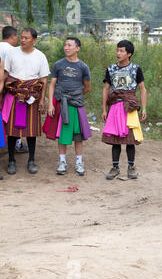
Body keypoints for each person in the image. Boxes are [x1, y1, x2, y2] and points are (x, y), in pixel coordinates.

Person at [2, 27, 50, 175]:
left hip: (32, 98)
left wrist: (42, 99)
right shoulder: (11, 53)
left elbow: (43, 79)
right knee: (12, 131)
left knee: (31, 131)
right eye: (21, 37)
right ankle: (11, 160)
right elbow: (5, 74)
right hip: (14, 96)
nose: (22, 40)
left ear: (34, 40)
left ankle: (31, 160)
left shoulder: (40, 56)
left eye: (26, 38)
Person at [42, 37, 92, 176]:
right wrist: (51, 104)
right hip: (60, 103)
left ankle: (79, 162)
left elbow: (87, 87)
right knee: (63, 134)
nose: (66, 47)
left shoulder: (83, 67)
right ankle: (62, 162)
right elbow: (52, 84)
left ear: (77, 48)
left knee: (78, 136)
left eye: (69, 45)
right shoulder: (58, 65)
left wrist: (75, 95)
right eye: (65, 45)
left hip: (76, 105)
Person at [101, 40, 147, 180]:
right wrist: (104, 109)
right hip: (115, 106)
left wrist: (143, 108)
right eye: (117, 50)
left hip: (130, 107)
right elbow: (106, 89)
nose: (118, 53)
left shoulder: (136, 69)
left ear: (129, 54)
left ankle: (131, 167)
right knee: (115, 139)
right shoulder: (111, 69)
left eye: (121, 51)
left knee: (130, 139)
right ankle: (115, 167)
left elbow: (142, 89)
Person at [0, 26, 28, 153]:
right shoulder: (14, 51)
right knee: (15, 116)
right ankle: (17, 143)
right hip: (9, 88)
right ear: (13, 36)